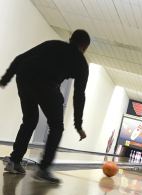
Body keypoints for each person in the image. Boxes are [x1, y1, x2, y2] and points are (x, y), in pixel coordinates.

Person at [0, 29, 91, 184]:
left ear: (70, 39)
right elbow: (79, 96)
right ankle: (43, 169)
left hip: (24, 78)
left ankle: (14, 161)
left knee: (30, 119)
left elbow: (19, 58)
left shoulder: (52, 44)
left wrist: (4, 80)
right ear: (85, 47)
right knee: (56, 126)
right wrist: (78, 125)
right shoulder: (81, 64)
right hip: (46, 84)